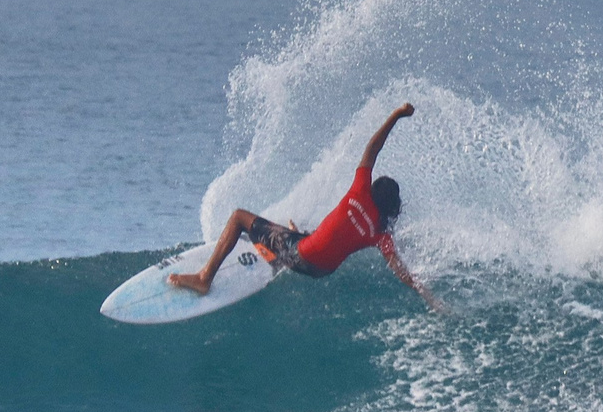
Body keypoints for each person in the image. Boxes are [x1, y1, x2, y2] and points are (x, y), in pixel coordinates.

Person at [168, 102, 441, 309]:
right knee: (309, 235)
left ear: (372, 190)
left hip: (300, 256)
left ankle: (204, 277)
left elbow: (373, 148)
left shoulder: (360, 191)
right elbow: (399, 269)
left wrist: (397, 114)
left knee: (239, 217)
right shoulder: (380, 235)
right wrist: (424, 293)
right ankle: (286, 244)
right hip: (321, 271)